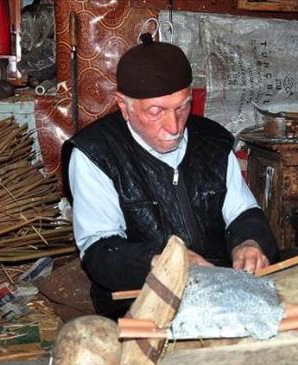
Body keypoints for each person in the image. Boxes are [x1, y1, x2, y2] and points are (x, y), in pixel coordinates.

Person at [63, 33, 280, 317]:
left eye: (182, 107)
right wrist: (163, 265)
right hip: (141, 297)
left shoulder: (213, 141)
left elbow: (243, 212)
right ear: (123, 106)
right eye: (156, 111)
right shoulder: (96, 153)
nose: (174, 126)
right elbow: (100, 251)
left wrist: (250, 243)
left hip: (220, 287)